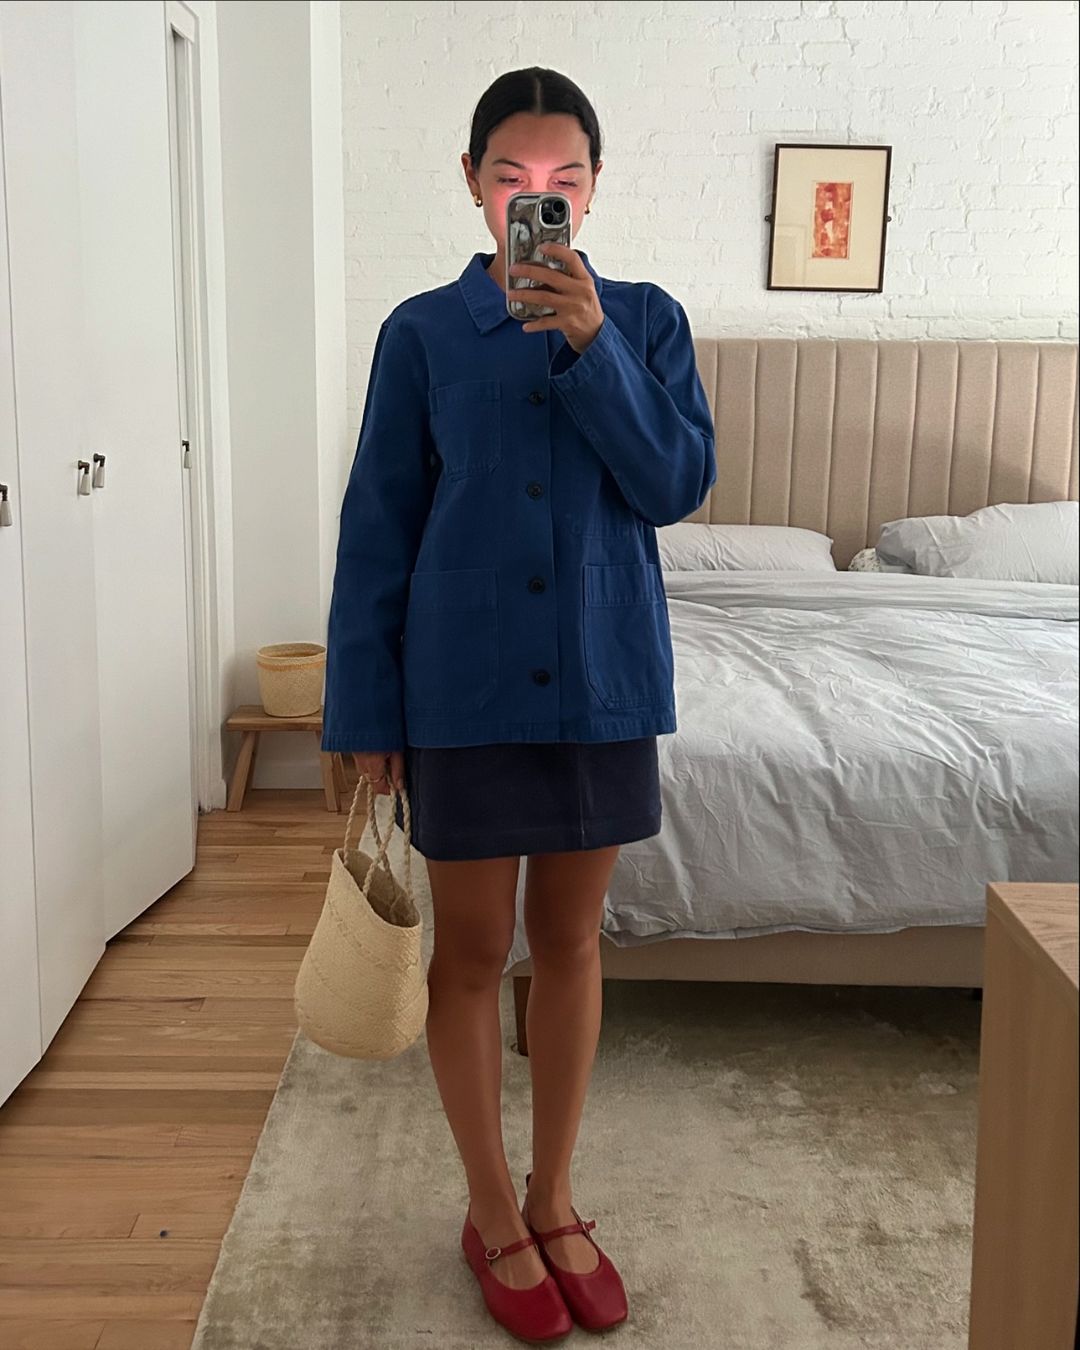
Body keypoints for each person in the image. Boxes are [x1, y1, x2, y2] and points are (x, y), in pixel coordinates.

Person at [321, 66, 716, 1341]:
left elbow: (674, 485)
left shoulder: (646, 322)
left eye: (563, 180)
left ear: (593, 191)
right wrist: (363, 712)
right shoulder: (420, 334)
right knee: (473, 951)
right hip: (463, 685)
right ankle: (490, 1208)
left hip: (603, 677)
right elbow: (377, 529)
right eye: (512, 177)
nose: (537, 198)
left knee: (574, 943)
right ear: (472, 182)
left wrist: (595, 346)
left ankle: (555, 1197)